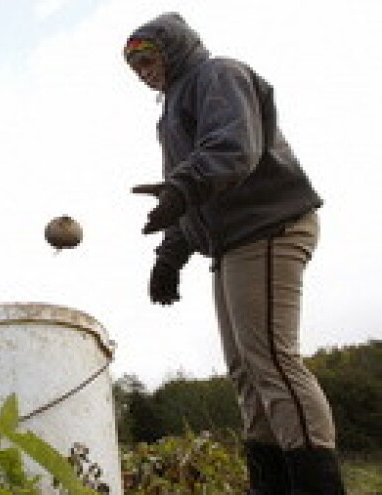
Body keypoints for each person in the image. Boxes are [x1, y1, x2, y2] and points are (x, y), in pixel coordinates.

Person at [124, 13, 345, 495]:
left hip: (267, 225)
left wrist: (181, 190)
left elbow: (233, 150)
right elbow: (190, 194)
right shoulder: (171, 113)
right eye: (134, 65)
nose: (142, 70)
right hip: (231, 243)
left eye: (148, 57)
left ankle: (318, 486)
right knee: (247, 372)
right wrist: (169, 257)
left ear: (175, 48)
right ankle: (271, 484)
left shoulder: (217, 75)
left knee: (272, 361)